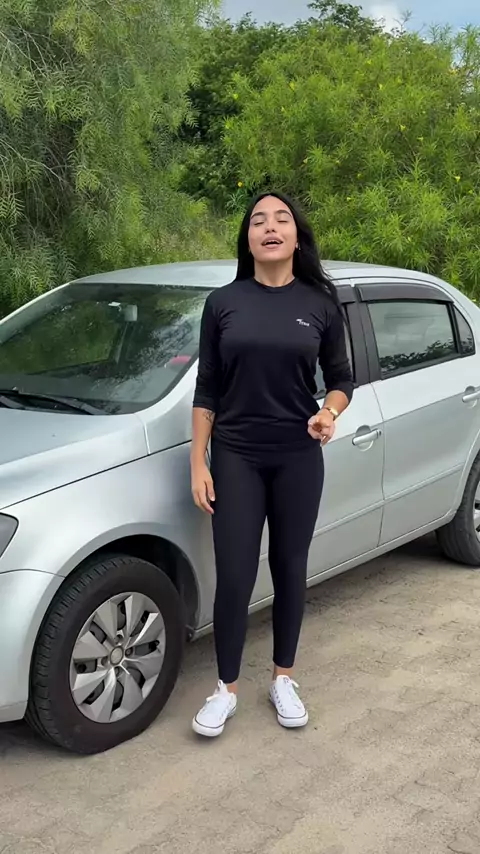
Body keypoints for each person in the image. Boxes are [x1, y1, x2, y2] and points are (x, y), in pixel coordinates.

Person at [190, 192, 353, 738]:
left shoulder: (320, 303)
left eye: (281, 218)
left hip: (296, 455)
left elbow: (342, 379)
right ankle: (225, 690)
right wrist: (198, 462)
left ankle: (284, 678)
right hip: (235, 454)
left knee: (289, 567)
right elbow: (207, 388)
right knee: (235, 574)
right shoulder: (223, 303)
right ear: (249, 239)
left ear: (296, 237)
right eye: (258, 220)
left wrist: (328, 412)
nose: (270, 226)